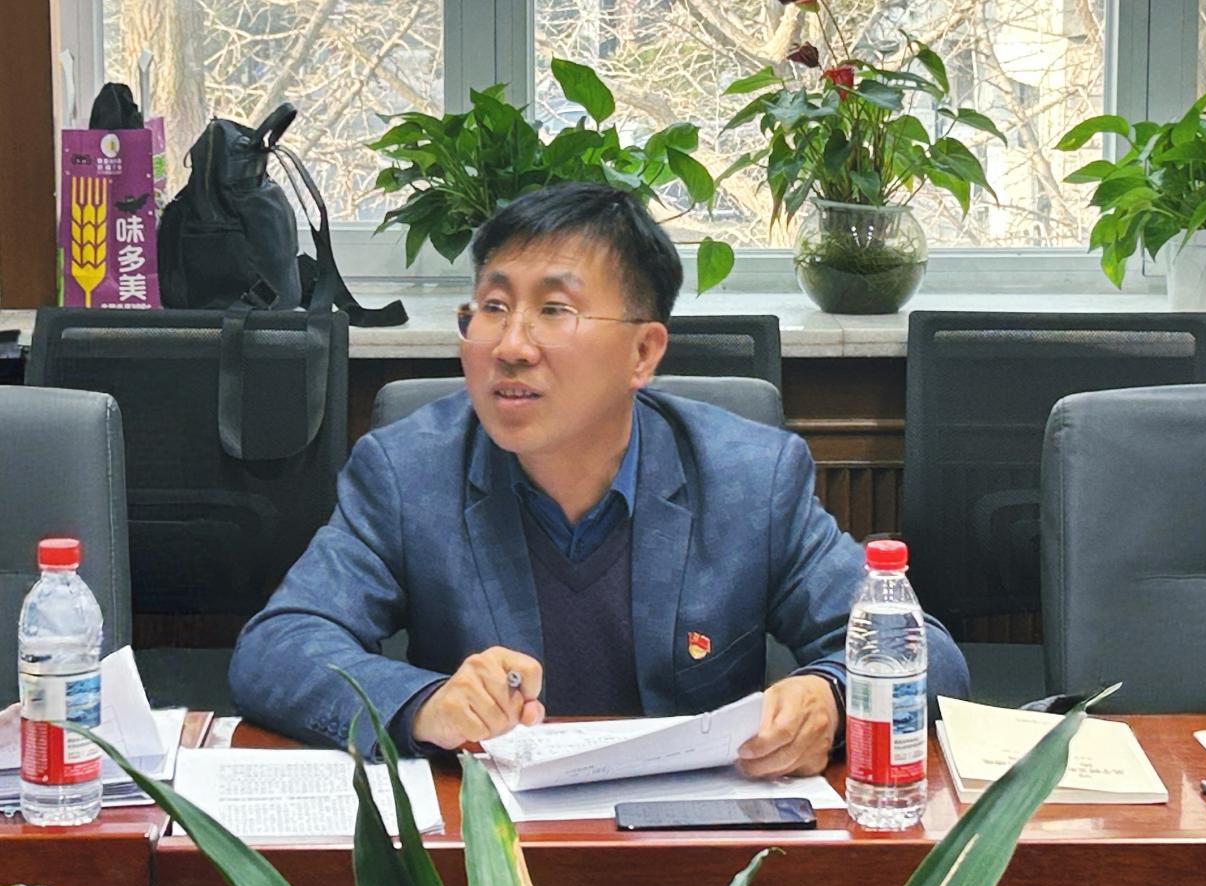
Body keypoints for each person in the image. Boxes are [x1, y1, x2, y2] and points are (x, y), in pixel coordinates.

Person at [229, 182, 969, 778]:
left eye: (554, 310)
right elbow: (279, 646)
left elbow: (931, 656)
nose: (511, 345)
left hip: (690, 849)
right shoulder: (407, 472)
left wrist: (830, 697)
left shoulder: (748, 477)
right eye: (491, 308)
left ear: (643, 353)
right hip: (487, 858)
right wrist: (423, 704)